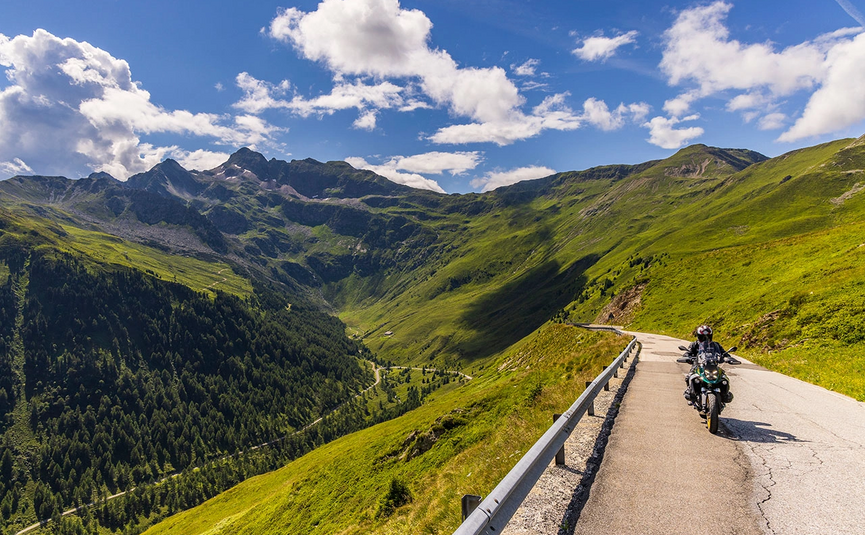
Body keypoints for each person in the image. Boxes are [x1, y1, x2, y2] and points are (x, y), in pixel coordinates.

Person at [682, 325, 729, 409]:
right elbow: (688, 353)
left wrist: (727, 358)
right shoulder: (694, 344)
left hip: (712, 366)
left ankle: (725, 395)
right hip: (698, 366)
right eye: (703, 336)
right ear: (698, 336)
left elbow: (724, 353)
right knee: (689, 377)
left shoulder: (716, 345)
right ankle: (691, 393)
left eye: (707, 336)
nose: (705, 338)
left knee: (724, 379)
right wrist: (688, 357)